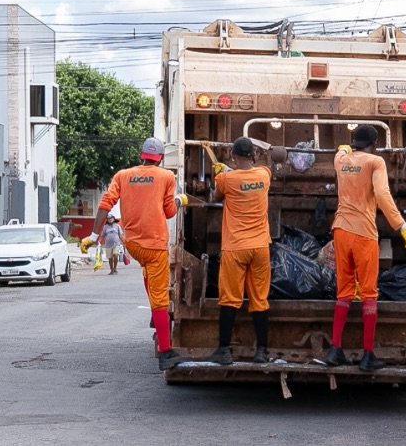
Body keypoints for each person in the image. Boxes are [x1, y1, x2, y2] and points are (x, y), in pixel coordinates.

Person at [80, 137, 193, 371]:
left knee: (147, 272)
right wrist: (181, 200)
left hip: (132, 244)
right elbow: (169, 212)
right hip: (154, 245)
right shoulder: (165, 177)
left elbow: (105, 205)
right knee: (161, 300)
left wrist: (92, 237)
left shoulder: (123, 175)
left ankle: (155, 312)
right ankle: (165, 352)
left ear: (141, 155)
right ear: (160, 158)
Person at [322, 124, 406, 371]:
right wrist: (402, 226)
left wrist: (343, 149)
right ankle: (367, 355)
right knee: (368, 293)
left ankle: (335, 349)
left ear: (354, 143)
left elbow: (339, 154)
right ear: (374, 143)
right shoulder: (375, 162)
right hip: (363, 233)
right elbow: (383, 195)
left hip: (340, 230)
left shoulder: (341, 161)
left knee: (343, 291)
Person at [203, 137, 272, 365]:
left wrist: (221, 172)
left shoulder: (226, 179)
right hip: (260, 247)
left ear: (233, 155)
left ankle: (224, 350)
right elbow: (264, 162)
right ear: (252, 155)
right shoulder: (264, 176)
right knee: (259, 299)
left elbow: (216, 197)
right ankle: (261, 351)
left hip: (235, 248)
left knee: (230, 300)